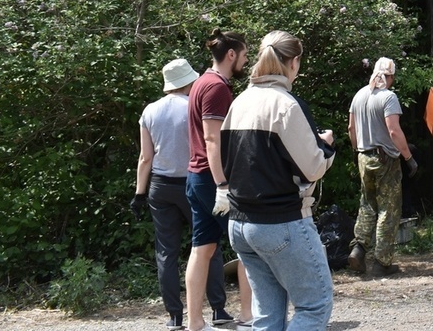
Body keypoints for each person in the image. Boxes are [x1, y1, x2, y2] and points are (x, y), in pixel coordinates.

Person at [222, 30, 337, 331]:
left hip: (240, 225)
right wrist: (326, 145)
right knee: (314, 305)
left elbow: (228, 161)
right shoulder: (285, 105)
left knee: (267, 316)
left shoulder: (240, 101)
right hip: (281, 222)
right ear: (294, 62)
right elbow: (313, 167)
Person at [132, 59, 226, 331]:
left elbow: (145, 157)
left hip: (160, 187)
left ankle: (175, 316)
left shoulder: (150, 110)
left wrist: (139, 193)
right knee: (209, 245)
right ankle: (218, 309)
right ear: (190, 80)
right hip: (193, 182)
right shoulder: (195, 106)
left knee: (166, 252)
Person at [185, 30, 253, 331]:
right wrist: (223, 185)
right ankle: (249, 316)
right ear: (231, 55)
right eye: (245, 55)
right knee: (248, 247)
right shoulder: (216, 87)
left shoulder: (201, 82)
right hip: (213, 181)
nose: (246, 61)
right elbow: (212, 139)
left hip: (196, 177)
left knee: (203, 249)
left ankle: (196, 323)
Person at [346, 57, 418, 277]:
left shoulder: (359, 95)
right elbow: (394, 131)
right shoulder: (389, 97)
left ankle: (358, 249)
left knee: (367, 203)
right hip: (385, 158)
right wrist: (408, 158)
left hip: (363, 156)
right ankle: (382, 262)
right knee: (389, 209)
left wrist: (357, 150)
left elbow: (351, 128)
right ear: (391, 76)